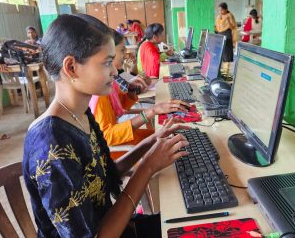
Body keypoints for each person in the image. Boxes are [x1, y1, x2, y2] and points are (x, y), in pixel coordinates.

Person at [22, 14, 189, 237]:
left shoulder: (80, 113)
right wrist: (147, 166)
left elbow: (108, 174)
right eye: (107, 63)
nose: (114, 71)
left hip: (113, 225)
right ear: (71, 67)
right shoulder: (51, 144)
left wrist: (152, 142)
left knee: (192, 222)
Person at [81, 19, 190, 159]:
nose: (125, 54)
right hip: (119, 149)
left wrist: (131, 92)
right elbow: (107, 136)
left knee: (174, 136)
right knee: (174, 142)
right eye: (122, 50)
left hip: (125, 137)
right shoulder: (99, 93)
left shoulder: (108, 82)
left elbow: (121, 106)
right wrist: (150, 112)